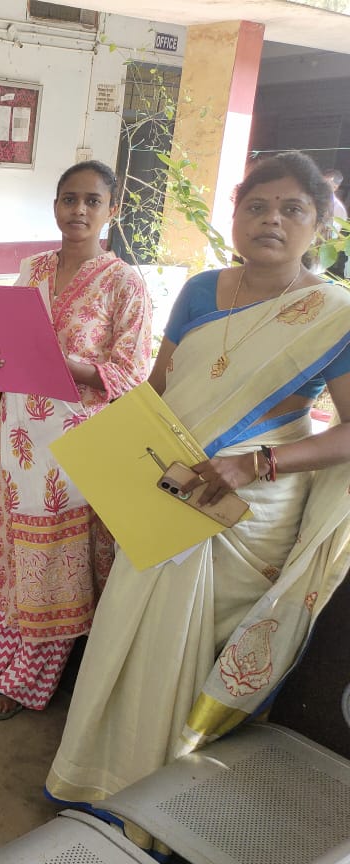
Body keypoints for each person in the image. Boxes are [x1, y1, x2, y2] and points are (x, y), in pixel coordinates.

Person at [46, 152, 350, 839]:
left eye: (292, 209)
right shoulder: (199, 291)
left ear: (320, 226)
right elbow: (157, 391)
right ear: (236, 216)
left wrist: (260, 463)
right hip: (167, 491)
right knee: (133, 628)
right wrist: (116, 467)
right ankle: (100, 775)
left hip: (249, 512)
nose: (271, 219)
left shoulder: (332, 315)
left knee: (197, 653)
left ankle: (170, 805)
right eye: (257, 206)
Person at [0, 161, 153, 721]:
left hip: (72, 448)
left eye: (91, 200)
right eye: (68, 199)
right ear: (55, 205)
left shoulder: (124, 282)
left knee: (52, 560)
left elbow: (132, 375)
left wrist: (66, 365)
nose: (78, 211)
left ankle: (26, 679)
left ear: (113, 209)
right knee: (7, 552)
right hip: (15, 438)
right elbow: (6, 344)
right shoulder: (34, 267)